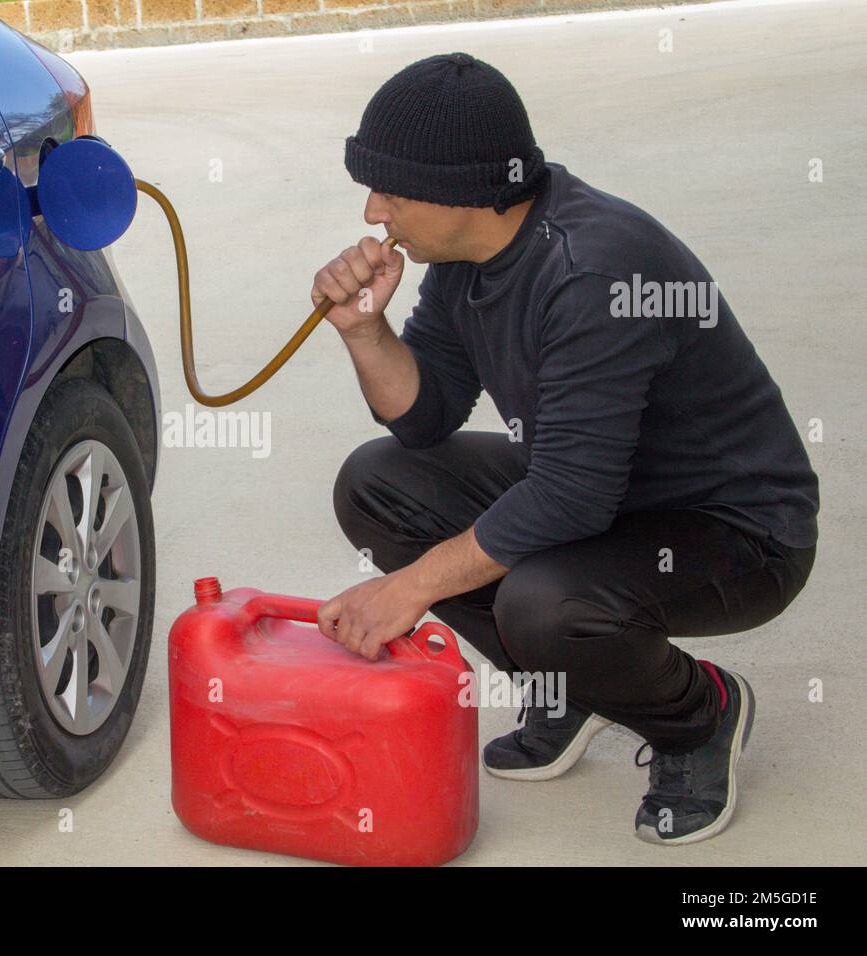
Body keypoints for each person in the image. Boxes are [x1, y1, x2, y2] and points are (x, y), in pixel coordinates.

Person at [313, 52, 818, 845]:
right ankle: (572, 685)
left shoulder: (593, 270)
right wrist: (366, 330)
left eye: (392, 191)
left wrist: (406, 588)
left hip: (737, 529)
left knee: (544, 603)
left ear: (468, 191)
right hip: (603, 489)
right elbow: (425, 418)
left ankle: (700, 716)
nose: (375, 212)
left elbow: (572, 498)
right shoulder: (467, 255)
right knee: (378, 485)